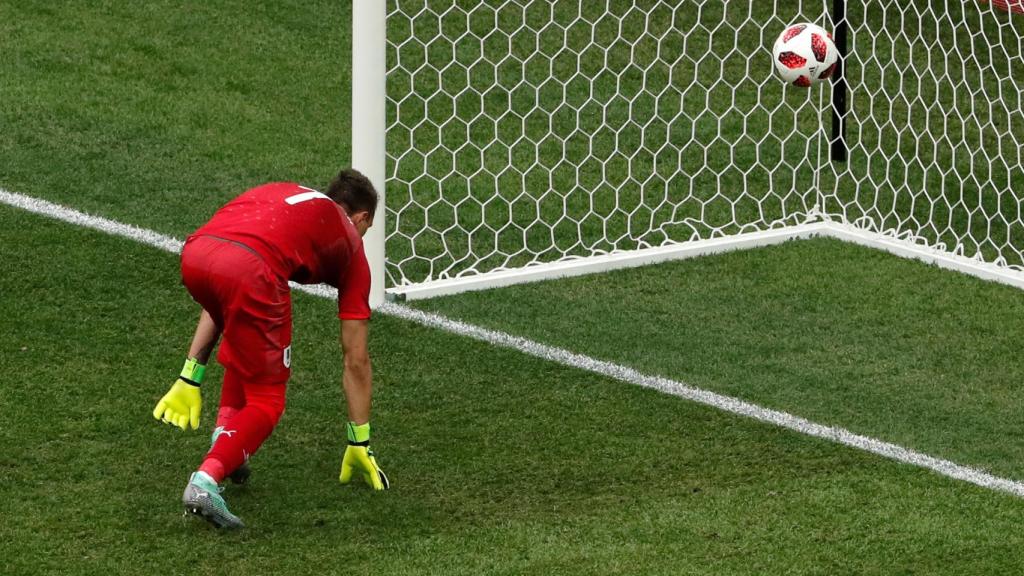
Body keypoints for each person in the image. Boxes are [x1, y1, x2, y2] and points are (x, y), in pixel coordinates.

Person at [152, 168, 389, 529]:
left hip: (197, 253)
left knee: (244, 328)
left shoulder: (283, 193)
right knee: (268, 400)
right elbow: (356, 359)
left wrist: (192, 372)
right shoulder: (351, 246)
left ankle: (227, 441)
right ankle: (205, 481)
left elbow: (226, 285)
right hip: (250, 270)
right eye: (366, 229)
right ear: (362, 218)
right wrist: (360, 440)